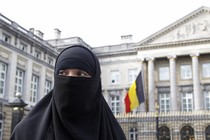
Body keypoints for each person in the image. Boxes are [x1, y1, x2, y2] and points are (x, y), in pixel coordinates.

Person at [10, 45, 126, 140]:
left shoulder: (113, 134)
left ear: (95, 82)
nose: (70, 80)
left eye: (80, 74)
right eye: (63, 73)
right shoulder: (26, 133)